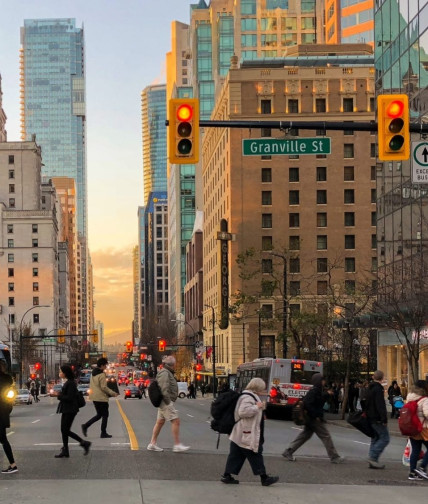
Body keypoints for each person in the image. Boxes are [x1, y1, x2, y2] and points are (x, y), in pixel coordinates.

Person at [221, 378, 278, 486]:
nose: (263, 389)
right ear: (257, 387)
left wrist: (260, 409)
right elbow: (243, 412)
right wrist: (257, 406)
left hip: (240, 432)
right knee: (255, 452)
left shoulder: (247, 395)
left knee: (236, 454)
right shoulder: (248, 397)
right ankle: (264, 478)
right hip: (246, 431)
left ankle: (227, 475)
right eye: (262, 387)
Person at [282, 373, 343, 464]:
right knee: (325, 436)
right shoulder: (314, 391)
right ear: (319, 381)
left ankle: (289, 451)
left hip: (310, 418)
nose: (324, 382)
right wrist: (316, 416)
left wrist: (326, 394)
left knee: (305, 436)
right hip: (313, 418)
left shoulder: (316, 390)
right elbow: (309, 404)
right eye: (322, 380)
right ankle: (334, 457)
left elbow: (318, 400)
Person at [147, 355, 189, 452]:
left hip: (164, 401)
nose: (175, 366)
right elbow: (163, 389)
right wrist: (168, 402)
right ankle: (177, 444)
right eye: (174, 364)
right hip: (165, 402)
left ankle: (152, 443)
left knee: (160, 422)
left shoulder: (166, 372)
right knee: (176, 421)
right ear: (171, 365)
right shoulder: (165, 373)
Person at [55, 365, 91, 458]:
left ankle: (84, 443)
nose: (60, 373)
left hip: (70, 409)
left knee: (65, 430)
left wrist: (59, 396)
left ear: (65, 373)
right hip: (66, 409)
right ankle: (66, 450)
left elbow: (70, 397)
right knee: (64, 430)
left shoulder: (70, 383)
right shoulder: (69, 382)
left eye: (61, 371)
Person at [81, 358, 119, 439]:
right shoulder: (101, 374)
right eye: (105, 365)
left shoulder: (93, 373)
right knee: (105, 415)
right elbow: (104, 387)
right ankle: (103, 432)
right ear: (102, 365)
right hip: (101, 397)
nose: (106, 367)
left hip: (94, 397)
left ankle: (86, 426)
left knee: (99, 415)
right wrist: (113, 393)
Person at [366, 370, 390, 469]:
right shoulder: (378, 389)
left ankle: (373, 460)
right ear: (382, 378)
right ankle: (373, 457)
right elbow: (380, 405)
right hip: (377, 418)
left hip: (370, 417)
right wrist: (384, 419)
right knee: (385, 438)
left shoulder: (370, 388)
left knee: (375, 438)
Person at [405, 380, 428, 481]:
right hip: (423, 428)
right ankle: (422, 468)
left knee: (415, 450)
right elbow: (427, 414)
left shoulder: (409, 398)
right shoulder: (425, 399)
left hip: (412, 427)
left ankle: (412, 473)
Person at [0, 360, 18, 474]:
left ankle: (13, 464)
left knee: (3, 440)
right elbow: (10, 402)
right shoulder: (7, 380)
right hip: (3, 414)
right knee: (3, 440)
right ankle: (13, 464)